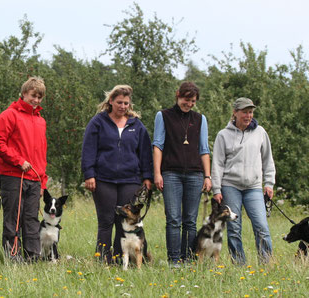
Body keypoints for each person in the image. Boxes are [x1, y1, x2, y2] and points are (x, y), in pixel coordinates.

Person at [81, 85, 153, 264]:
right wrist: (89, 174)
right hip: (103, 179)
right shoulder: (98, 122)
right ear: (111, 101)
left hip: (130, 179)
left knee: (124, 221)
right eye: (119, 102)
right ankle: (102, 258)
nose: (123, 106)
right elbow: (88, 149)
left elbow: (145, 152)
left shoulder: (137, 125)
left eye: (126, 103)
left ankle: (120, 258)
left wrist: (147, 177)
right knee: (106, 220)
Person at [152, 81, 211, 267]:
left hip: (195, 174)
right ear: (178, 95)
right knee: (174, 219)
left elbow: (204, 149)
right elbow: (158, 145)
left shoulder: (200, 119)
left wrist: (208, 176)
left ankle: (188, 259)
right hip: (171, 174)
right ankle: (174, 260)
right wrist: (157, 173)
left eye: (193, 101)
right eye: (186, 99)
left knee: (191, 221)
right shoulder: (163, 116)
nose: (189, 104)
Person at [211, 97, 275, 265]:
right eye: (245, 112)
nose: (248, 116)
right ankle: (239, 264)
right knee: (234, 228)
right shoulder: (223, 135)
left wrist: (269, 183)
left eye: (251, 112)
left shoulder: (260, 132)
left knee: (262, 227)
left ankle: (266, 264)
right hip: (230, 185)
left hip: (253, 186)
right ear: (235, 113)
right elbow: (217, 163)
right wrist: (216, 189)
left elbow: (268, 159)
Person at [0, 77, 48, 262]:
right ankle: (13, 256)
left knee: (31, 219)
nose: (36, 100)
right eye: (33, 95)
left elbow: (42, 152)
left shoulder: (41, 121)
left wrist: (43, 180)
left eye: (40, 97)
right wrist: (18, 160)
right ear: (24, 93)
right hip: (13, 175)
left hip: (35, 178)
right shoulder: (9, 115)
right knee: (13, 217)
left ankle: (33, 256)